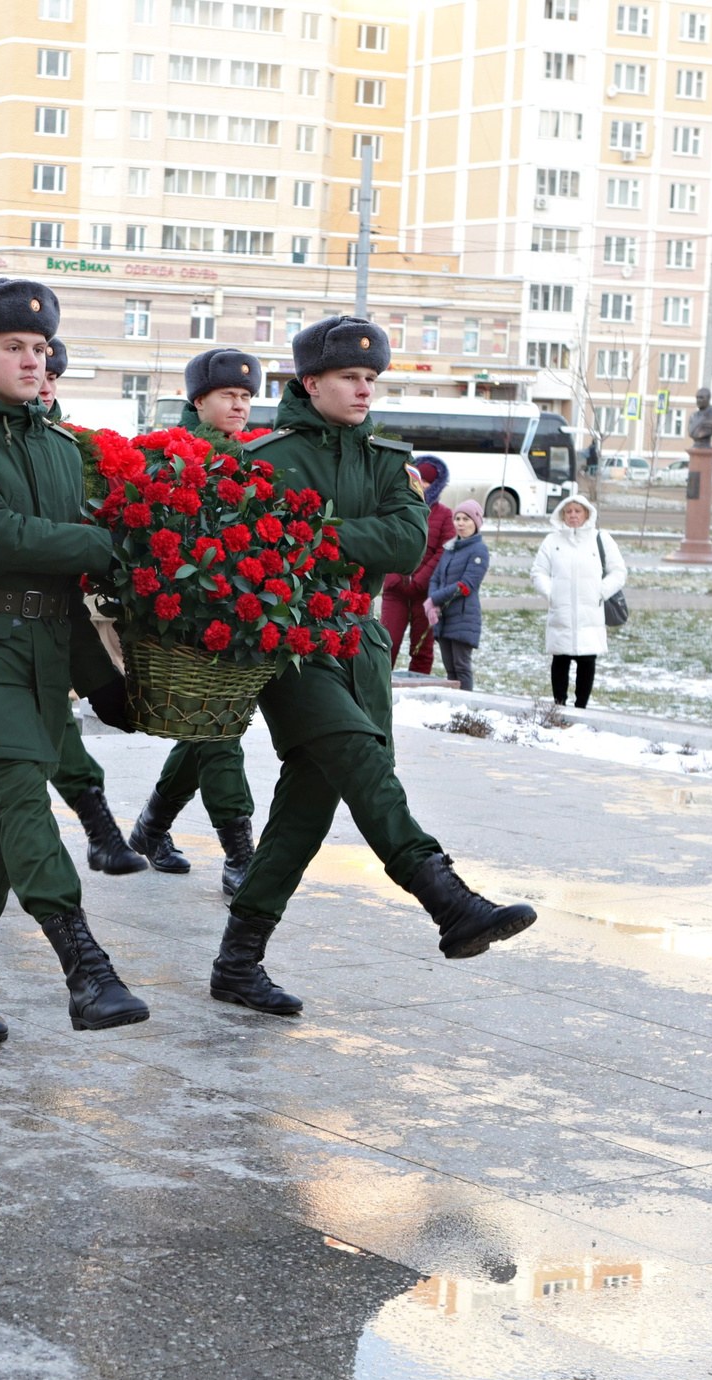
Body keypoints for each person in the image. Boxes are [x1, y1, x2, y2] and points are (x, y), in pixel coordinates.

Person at [214, 318, 539, 1015]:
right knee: (362, 762)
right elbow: (255, 549)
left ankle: (237, 962)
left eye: (370, 379)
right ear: (311, 384)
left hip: (360, 645)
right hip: (290, 646)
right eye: (349, 378)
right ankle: (447, 900)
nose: (364, 389)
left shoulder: (390, 461)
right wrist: (339, 543)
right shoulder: (267, 456)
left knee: (304, 813)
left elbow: (402, 544)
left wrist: (314, 535)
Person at [0, 278, 147, 1043]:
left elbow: (56, 582)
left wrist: (102, 681)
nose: (32, 360)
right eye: (14, 347)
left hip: (37, 655)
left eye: (40, 348)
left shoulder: (57, 446)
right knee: (18, 796)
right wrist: (102, 546)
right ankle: (87, 969)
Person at [124, 346, 264, 895]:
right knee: (218, 730)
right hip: (185, 618)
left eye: (247, 396)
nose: (240, 405)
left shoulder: (253, 455)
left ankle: (151, 828)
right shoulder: (167, 457)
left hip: (241, 614)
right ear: (198, 399)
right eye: (229, 394)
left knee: (211, 724)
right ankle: (239, 851)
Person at [34, 340, 146, 876]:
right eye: (39, 371)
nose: (46, 383)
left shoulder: (75, 450)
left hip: (65, 611)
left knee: (26, 760)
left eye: (55, 375)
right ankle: (101, 831)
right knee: (39, 738)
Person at [530, 496, 622, 709]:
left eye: (577, 511)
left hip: (590, 614)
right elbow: (539, 572)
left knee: (587, 662)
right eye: (568, 511)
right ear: (562, 514)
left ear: (587, 514)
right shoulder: (552, 541)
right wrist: (551, 593)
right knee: (560, 661)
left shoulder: (601, 539)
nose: (573, 515)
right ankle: (559, 705)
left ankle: (581, 707)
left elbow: (618, 572)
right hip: (561, 613)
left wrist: (600, 592)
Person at [380, 458, 453, 677]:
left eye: (427, 482)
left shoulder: (444, 515)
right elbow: (386, 542)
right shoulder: (396, 508)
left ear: (436, 485)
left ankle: (417, 689)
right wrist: (396, 577)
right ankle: (379, 687)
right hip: (395, 591)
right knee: (386, 643)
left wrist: (419, 580)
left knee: (421, 649)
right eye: (418, 480)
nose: (421, 486)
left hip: (425, 594)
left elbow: (443, 551)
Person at [427, 499, 490, 691]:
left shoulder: (479, 550)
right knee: (450, 670)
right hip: (444, 617)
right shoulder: (450, 548)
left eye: (466, 519)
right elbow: (435, 577)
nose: (461, 523)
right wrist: (432, 604)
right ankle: (455, 709)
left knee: (461, 667)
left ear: (476, 522)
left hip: (463, 616)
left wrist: (434, 599)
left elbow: (466, 585)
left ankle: (466, 708)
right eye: (458, 518)